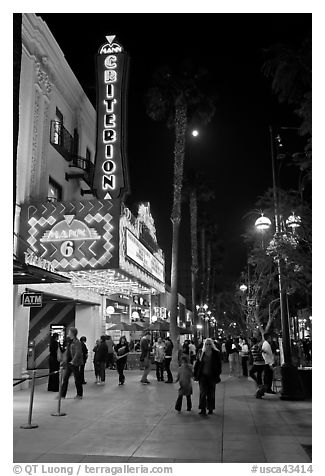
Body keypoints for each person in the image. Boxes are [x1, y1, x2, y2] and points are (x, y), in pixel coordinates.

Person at [194, 338, 222, 415]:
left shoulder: (216, 353)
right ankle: (202, 409)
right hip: (202, 376)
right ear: (204, 345)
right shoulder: (201, 352)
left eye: (210, 344)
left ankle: (210, 408)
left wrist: (218, 373)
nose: (208, 345)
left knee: (211, 393)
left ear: (212, 345)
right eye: (207, 344)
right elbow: (197, 364)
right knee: (203, 393)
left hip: (212, 376)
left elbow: (219, 365)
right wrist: (195, 374)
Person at [61, 327, 84, 399]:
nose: (68, 333)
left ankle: (79, 394)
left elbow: (78, 352)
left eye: (69, 332)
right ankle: (62, 394)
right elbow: (67, 352)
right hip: (69, 363)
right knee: (65, 379)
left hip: (75, 363)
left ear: (73, 333)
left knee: (77, 379)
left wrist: (73, 361)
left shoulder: (77, 342)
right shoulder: (70, 341)